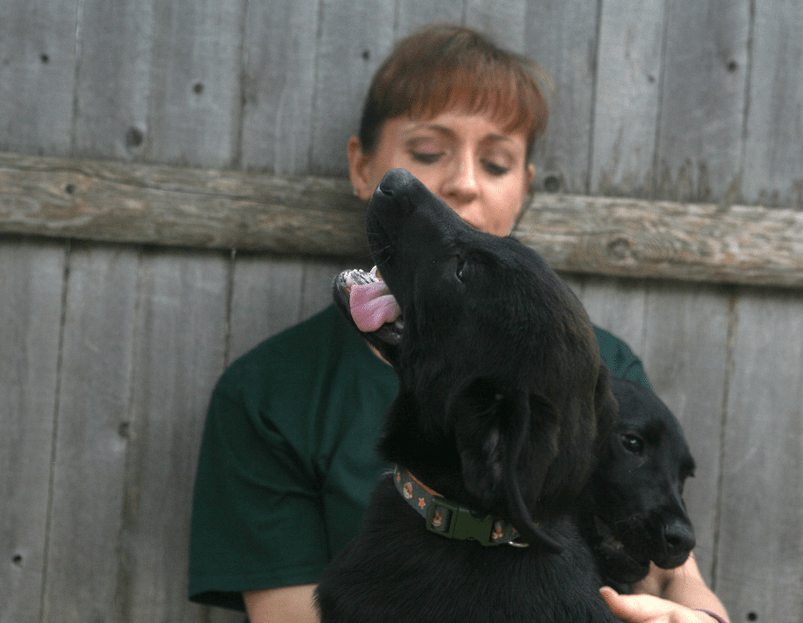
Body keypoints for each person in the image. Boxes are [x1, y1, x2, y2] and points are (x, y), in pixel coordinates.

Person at [188, 24, 730, 623]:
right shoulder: (270, 392)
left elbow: (674, 575)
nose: (464, 183)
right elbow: (292, 615)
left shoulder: (599, 369)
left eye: (496, 163)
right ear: (362, 168)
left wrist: (700, 620)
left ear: (524, 188)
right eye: (427, 153)